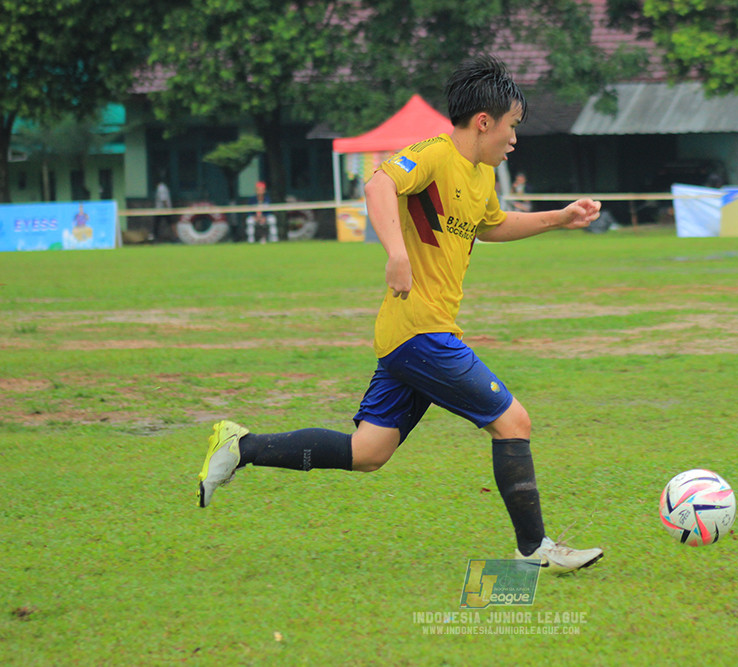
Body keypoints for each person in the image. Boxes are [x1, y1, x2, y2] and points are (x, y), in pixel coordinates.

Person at [197, 55, 605, 574]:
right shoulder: (433, 154)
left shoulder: (480, 176)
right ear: (485, 121)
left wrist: (560, 218)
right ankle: (536, 550)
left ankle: (242, 446)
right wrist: (396, 251)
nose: (514, 139)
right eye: (512, 126)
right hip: (421, 330)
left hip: (409, 334)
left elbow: (492, 224)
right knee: (513, 421)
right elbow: (377, 185)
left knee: (369, 450)